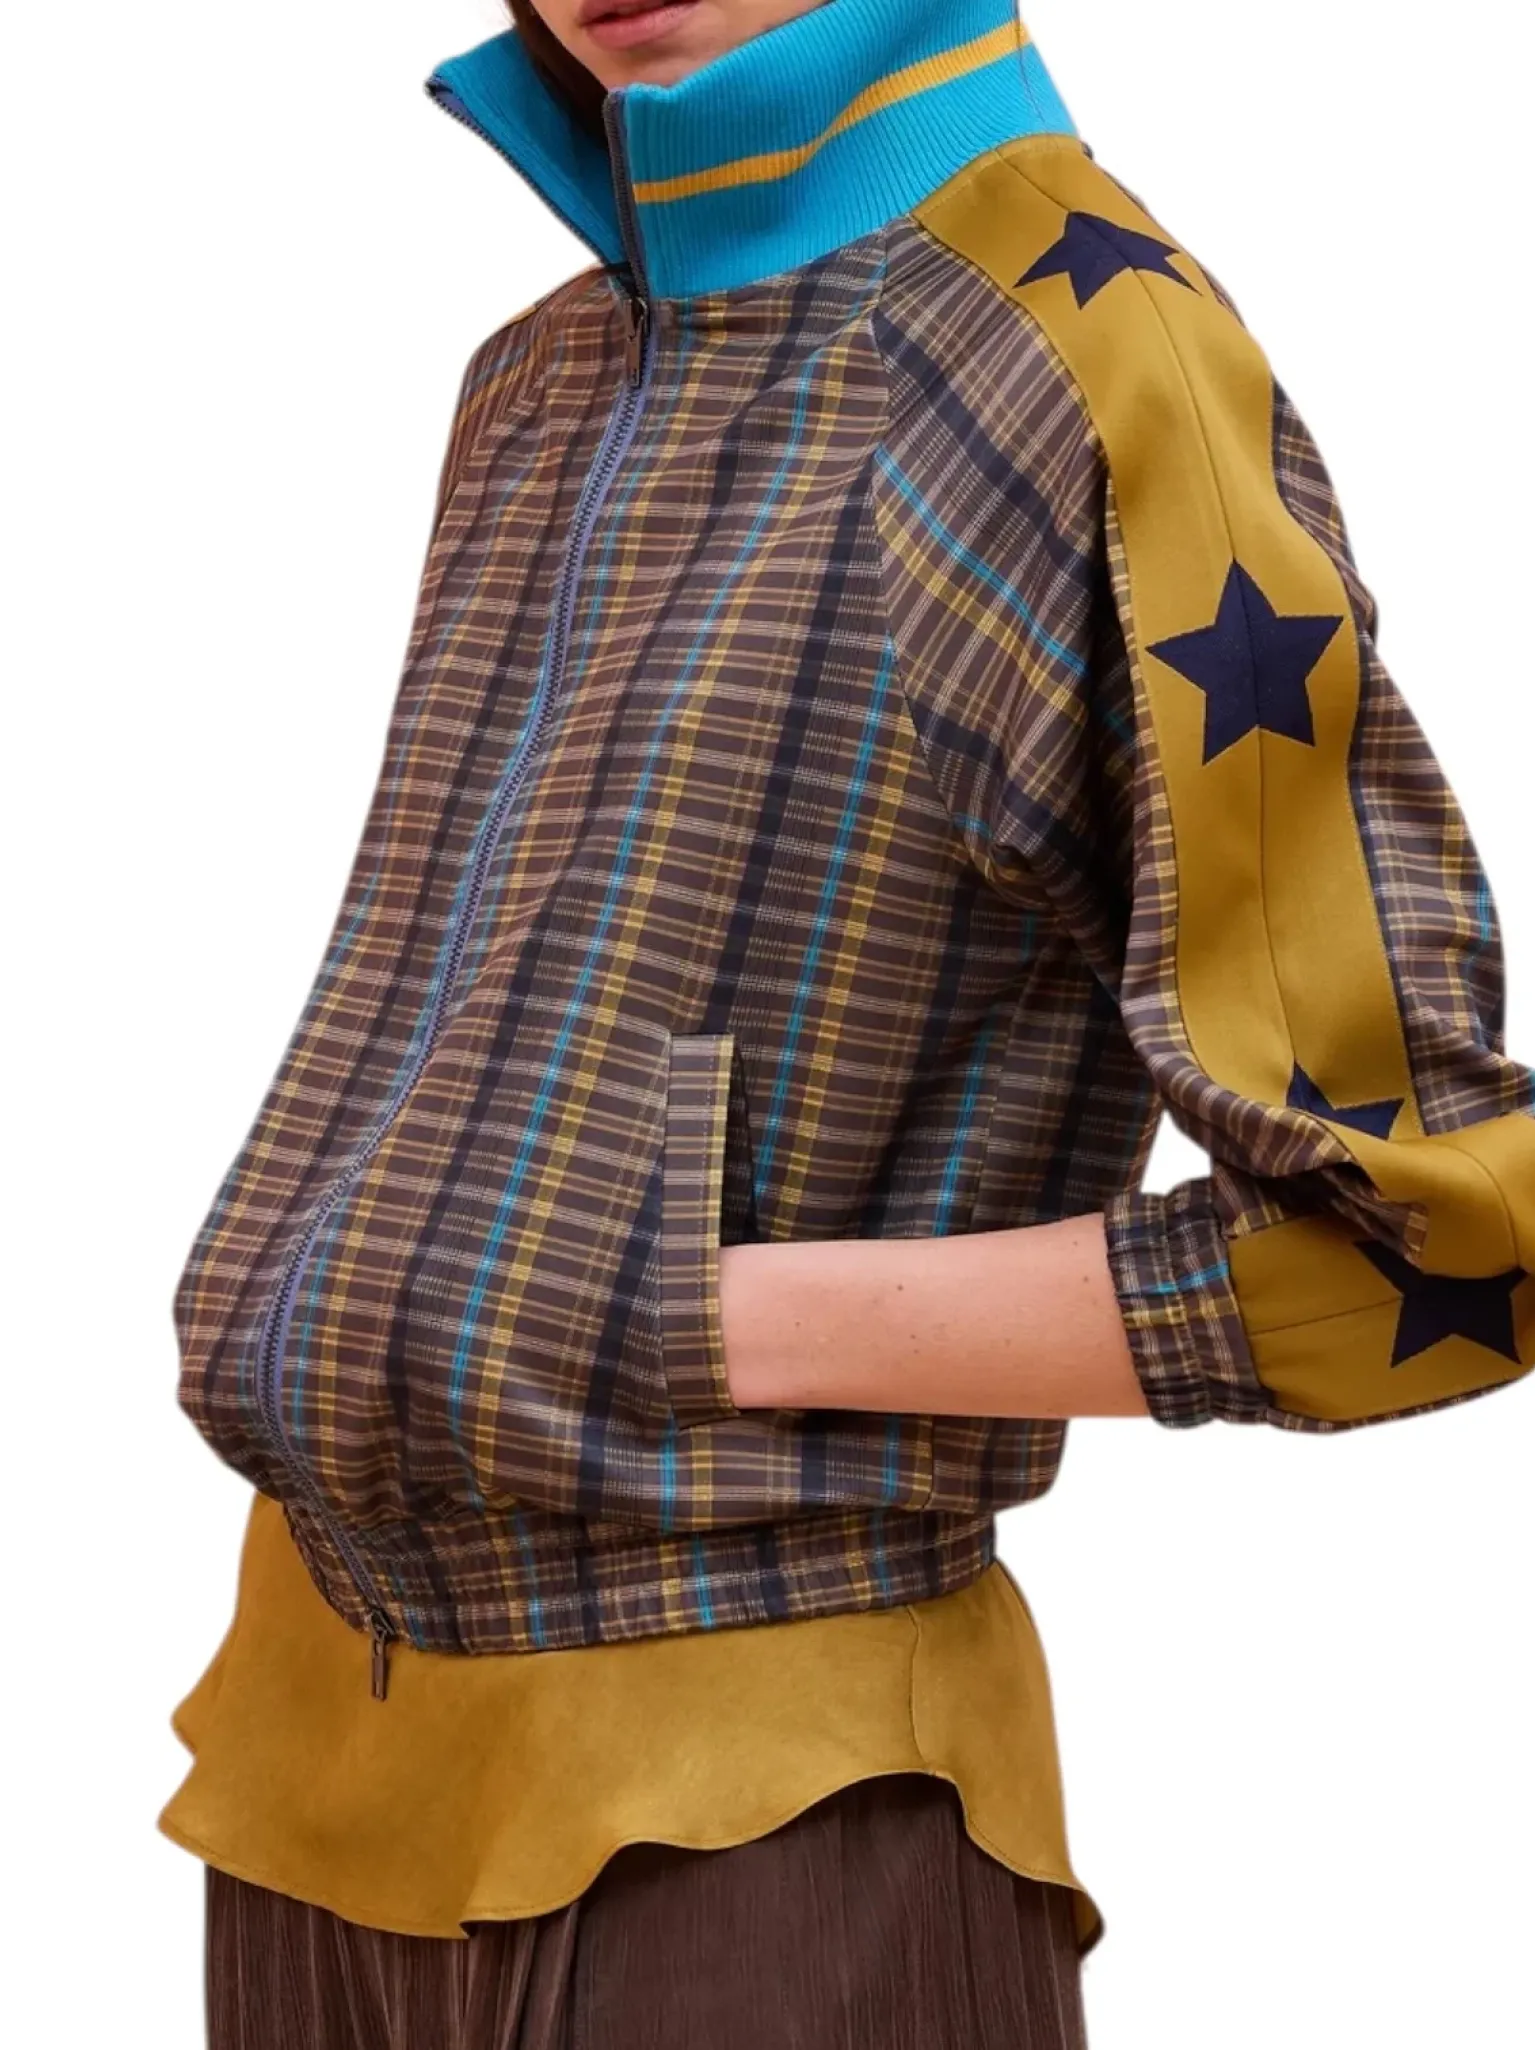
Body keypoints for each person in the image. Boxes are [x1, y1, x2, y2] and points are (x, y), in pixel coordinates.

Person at [161, 1, 1535, 2043]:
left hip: (757, 1826)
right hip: (301, 1787)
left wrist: (722, 1319)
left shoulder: (1072, 352)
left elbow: (1442, 1232)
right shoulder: (538, 378)